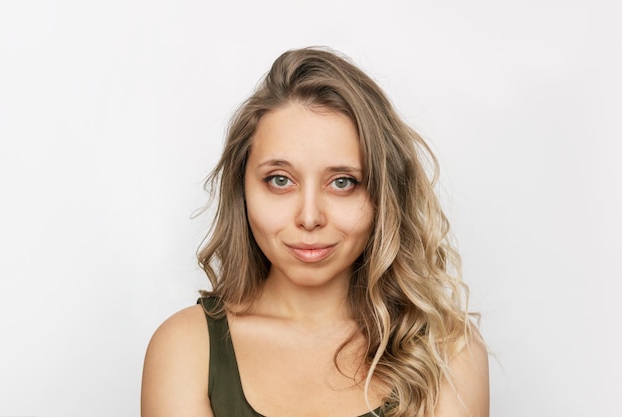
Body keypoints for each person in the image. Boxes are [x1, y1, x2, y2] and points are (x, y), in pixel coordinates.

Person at [141, 46, 489, 417]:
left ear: (383, 196)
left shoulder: (448, 352)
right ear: (242, 189)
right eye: (279, 180)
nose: (309, 217)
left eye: (342, 182)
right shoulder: (186, 347)